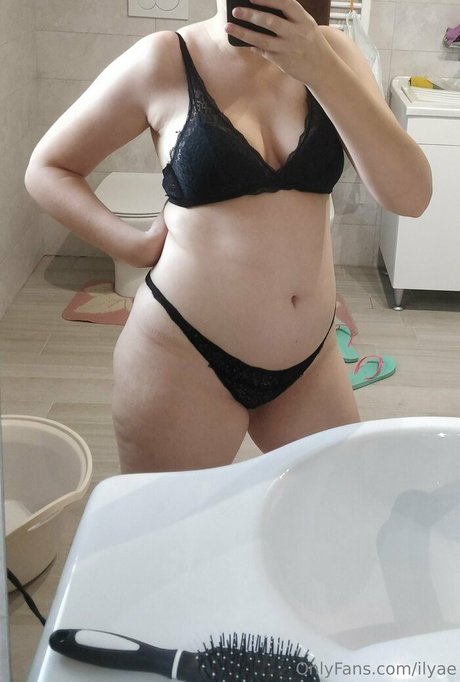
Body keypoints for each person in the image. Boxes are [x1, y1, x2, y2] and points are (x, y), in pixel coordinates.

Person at [25, 0, 432, 473]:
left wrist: (320, 68)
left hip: (312, 363)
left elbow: (412, 197)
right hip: (182, 355)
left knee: (332, 506)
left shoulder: (334, 54)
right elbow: (48, 169)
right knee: (176, 520)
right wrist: (131, 246)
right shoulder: (164, 59)